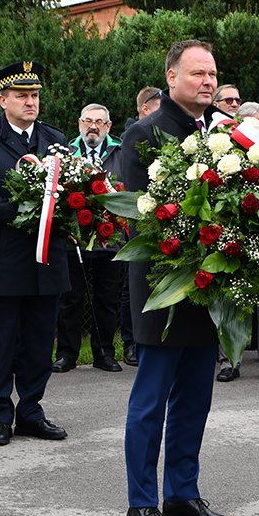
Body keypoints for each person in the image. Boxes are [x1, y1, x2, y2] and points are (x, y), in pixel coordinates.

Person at [121, 40, 234, 516]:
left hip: (209, 289)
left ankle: (182, 492)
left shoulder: (227, 136)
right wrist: (185, 256)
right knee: (151, 402)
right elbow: (132, 216)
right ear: (171, 77)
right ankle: (141, 502)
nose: (207, 82)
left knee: (195, 400)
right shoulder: (142, 134)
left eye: (212, 74)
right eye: (197, 74)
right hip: (163, 290)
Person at [0, 60, 70, 447]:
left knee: (41, 341)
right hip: (6, 258)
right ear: (2, 99)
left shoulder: (55, 139)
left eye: (35, 95)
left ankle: (31, 410)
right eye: (22, 95)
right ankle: (1, 414)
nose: (31, 101)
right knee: (3, 342)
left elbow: (71, 193)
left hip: (47, 260)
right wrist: (29, 215)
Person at [215, 100, 259, 383]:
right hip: (234, 237)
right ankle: (229, 360)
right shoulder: (223, 152)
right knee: (230, 301)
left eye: (255, 124)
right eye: (244, 124)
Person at [54, 103, 125, 373]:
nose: (92, 126)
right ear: (79, 123)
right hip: (74, 239)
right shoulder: (67, 152)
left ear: (108, 126)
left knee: (107, 299)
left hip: (111, 239)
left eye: (99, 122)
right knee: (70, 299)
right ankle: (66, 354)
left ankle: (105, 353)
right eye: (87, 121)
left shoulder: (119, 151)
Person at [120, 87, 162, 365]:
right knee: (132, 287)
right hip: (136, 225)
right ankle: (131, 341)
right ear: (146, 108)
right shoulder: (136, 136)